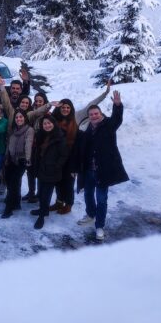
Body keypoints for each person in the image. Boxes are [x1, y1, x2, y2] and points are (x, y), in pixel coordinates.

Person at [50, 80, 112, 214]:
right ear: (59, 108)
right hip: (57, 155)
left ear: (71, 108)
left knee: (68, 182)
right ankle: (59, 201)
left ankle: (69, 204)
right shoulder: (55, 119)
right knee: (58, 180)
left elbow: (92, 105)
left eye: (67, 107)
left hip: (72, 155)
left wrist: (106, 93)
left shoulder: (76, 116)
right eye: (63, 107)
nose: (65, 109)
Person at [76, 90, 128, 240]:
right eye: (91, 114)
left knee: (102, 199)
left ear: (100, 114)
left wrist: (117, 105)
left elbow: (117, 119)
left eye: (96, 113)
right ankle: (91, 214)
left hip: (103, 170)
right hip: (88, 170)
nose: (93, 116)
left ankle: (99, 226)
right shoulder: (86, 130)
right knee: (87, 194)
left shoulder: (108, 125)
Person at [30, 115, 67, 230]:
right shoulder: (41, 135)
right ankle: (43, 210)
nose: (47, 125)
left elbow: (63, 155)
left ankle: (42, 216)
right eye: (44, 124)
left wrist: (56, 167)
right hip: (41, 168)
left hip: (52, 170)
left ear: (53, 123)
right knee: (41, 192)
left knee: (46, 194)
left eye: (49, 123)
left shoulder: (59, 136)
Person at [2, 109, 34, 218]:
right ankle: (16, 203)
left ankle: (8, 208)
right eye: (16, 117)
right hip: (11, 159)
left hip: (21, 160)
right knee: (8, 180)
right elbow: (9, 144)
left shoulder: (29, 130)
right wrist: (7, 156)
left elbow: (28, 145)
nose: (18, 119)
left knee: (13, 183)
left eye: (21, 117)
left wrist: (28, 159)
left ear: (25, 118)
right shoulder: (14, 129)